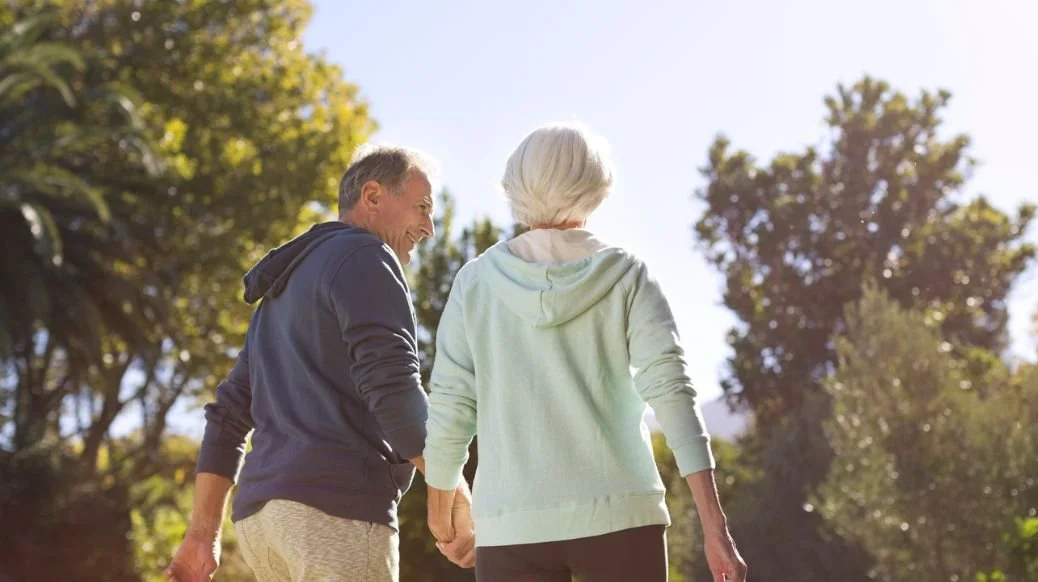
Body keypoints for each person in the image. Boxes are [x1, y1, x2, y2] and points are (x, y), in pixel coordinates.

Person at [421, 122, 748, 582]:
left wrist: (443, 515)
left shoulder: (475, 284)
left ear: (516, 184)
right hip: (622, 518)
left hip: (512, 526)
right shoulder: (627, 275)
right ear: (596, 185)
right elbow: (673, 395)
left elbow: (452, 408)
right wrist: (716, 529)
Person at [167, 144, 475, 582]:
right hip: (335, 513)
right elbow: (391, 385)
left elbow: (228, 414)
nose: (428, 226)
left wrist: (201, 533)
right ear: (372, 196)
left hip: (262, 525)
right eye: (422, 207)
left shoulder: (281, 292)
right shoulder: (368, 256)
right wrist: (454, 486)